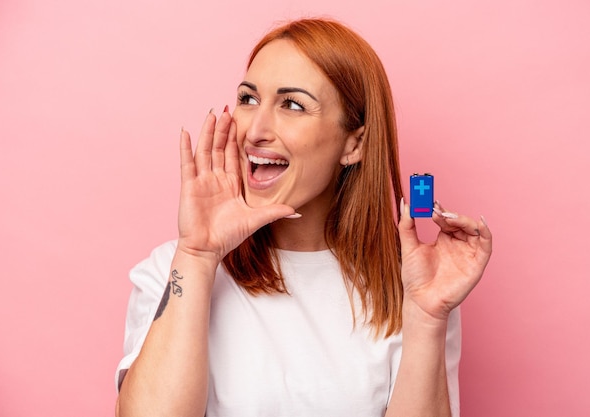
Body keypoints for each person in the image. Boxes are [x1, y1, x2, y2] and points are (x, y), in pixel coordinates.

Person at [115, 17, 492, 417]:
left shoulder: (413, 289)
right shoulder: (172, 270)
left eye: (292, 105)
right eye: (248, 99)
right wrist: (197, 255)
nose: (255, 130)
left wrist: (427, 317)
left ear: (355, 143)